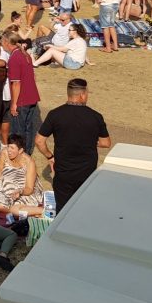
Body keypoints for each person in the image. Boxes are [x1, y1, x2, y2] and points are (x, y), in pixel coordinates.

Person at [35, 78, 112, 208]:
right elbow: (106, 143)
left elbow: (39, 140)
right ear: (82, 95)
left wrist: (50, 156)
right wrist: (90, 140)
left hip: (64, 174)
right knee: (84, 208)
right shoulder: (95, 116)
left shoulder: (55, 114)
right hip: (87, 173)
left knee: (62, 210)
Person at [0, 134, 44, 216]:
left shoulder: (29, 162)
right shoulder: (4, 153)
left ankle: (41, 210)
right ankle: (16, 210)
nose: (9, 150)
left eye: (12, 148)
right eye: (8, 146)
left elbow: (29, 188)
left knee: (15, 209)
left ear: (20, 150)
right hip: (6, 185)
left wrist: (20, 192)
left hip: (22, 189)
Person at [2, 30, 40, 154]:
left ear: (7, 42)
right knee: (29, 128)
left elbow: (16, 83)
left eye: (2, 41)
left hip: (22, 99)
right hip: (32, 96)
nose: (2, 44)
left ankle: (20, 154)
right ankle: (27, 152)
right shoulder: (25, 54)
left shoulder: (14, 58)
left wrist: (14, 104)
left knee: (18, 130)